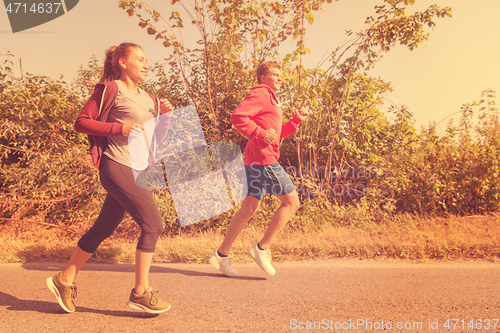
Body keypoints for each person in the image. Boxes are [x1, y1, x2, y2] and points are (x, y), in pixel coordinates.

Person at [46, 42, 173, 313]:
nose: (146, 64)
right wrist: (119, 128)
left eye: (146, 59)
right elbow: (81, 122)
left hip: (136, 168)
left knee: (103, 228)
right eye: (140, 58)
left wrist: (166, 119)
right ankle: (141, 292)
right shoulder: (109, 90)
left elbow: (154, 141)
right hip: (116, 166)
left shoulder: (149, 98)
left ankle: (64, 279)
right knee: (153, 224)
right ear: (123, 63)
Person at [209, 61, 308, 276]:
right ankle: (262, 248)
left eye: (281, 75)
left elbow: (275, 133)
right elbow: (237, 117)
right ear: (263, 78)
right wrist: (259, 133)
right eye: (275, 74)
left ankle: (221, 255)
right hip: (265, 160)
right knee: (292, 203)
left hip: (255, 160)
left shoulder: (271, 99)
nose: (280, 78)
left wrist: (294, 122)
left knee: (249, 209)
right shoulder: (261, 94)